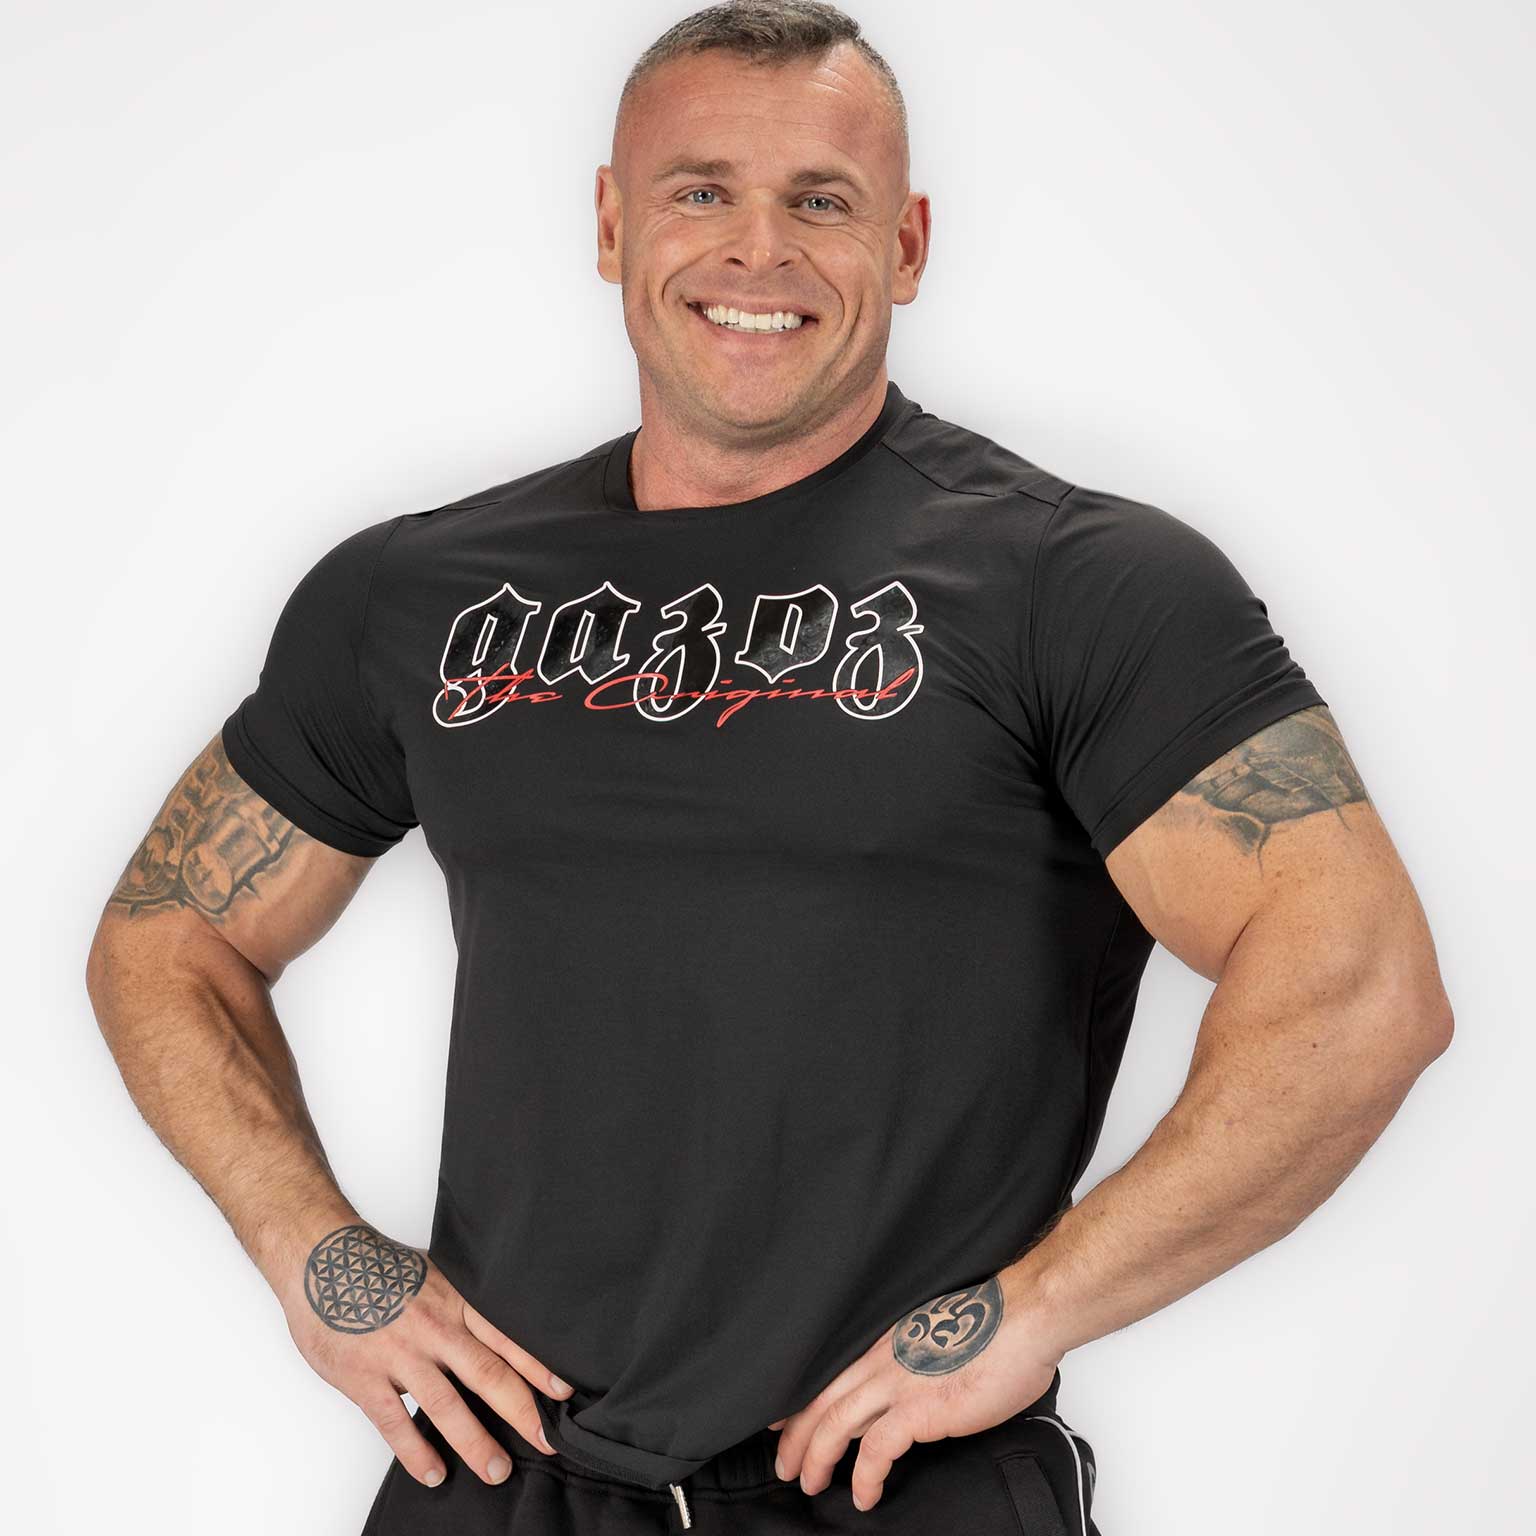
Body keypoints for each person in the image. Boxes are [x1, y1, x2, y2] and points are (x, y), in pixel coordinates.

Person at [84, 3, 1455, 1533]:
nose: (759, 250)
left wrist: (1040, 1308)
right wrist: (313, 1255)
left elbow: (1361, 985)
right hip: (497, 1483)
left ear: (907, 244)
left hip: (888, 1484)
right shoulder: (420, 594)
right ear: (613, 223)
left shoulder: (1082, 585)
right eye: (701, 191)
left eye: (821, 200)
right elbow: (167, 930)